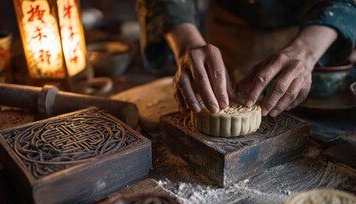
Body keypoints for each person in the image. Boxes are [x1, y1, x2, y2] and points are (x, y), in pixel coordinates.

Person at [136, 0, 356, 117]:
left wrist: (307, 51)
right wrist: (186, 44)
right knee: (213, 89)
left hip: (311, 32)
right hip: (227, 29)